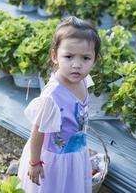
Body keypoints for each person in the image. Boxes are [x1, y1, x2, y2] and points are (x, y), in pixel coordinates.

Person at [17, 16, 101, 193]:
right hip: (53, 159)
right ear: (55, 56)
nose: (77, 65)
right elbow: (37, 132)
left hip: (75, 153)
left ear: (95, 59)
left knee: (70, 186)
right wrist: (34, 162)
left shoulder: (84, 82)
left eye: (85, 58)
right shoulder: (52, 95)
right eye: (69, 56)